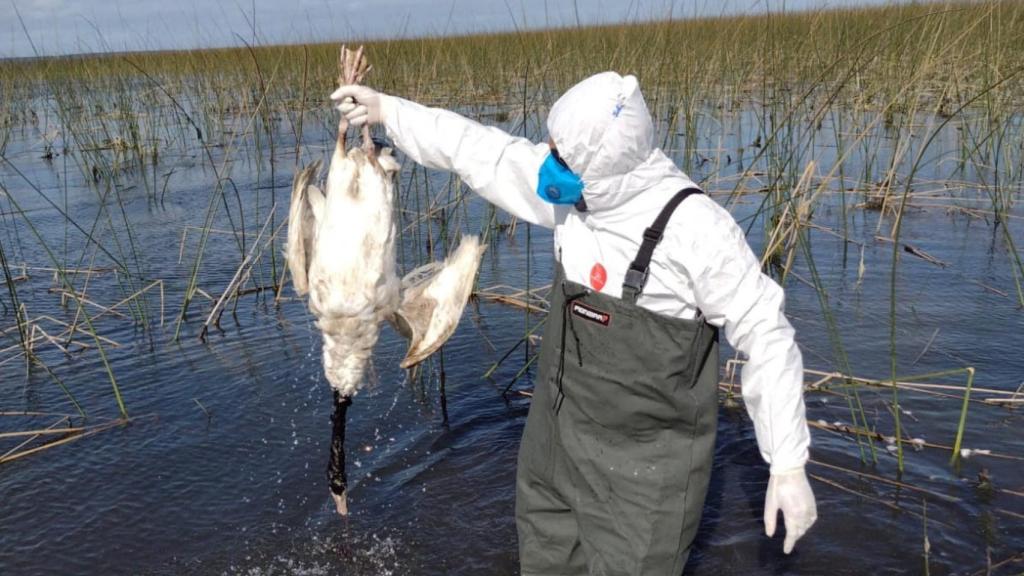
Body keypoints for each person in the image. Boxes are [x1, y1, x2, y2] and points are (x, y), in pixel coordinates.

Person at [331, 71, 817, 575]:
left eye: (560, 153)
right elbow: (478, 150)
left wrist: (786, 463)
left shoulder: (696, 230)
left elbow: (767, 335)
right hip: (553, 453)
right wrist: (387, 110)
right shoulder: (572, 197)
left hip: (644, 484)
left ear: (599, 169)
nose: (548, 157)